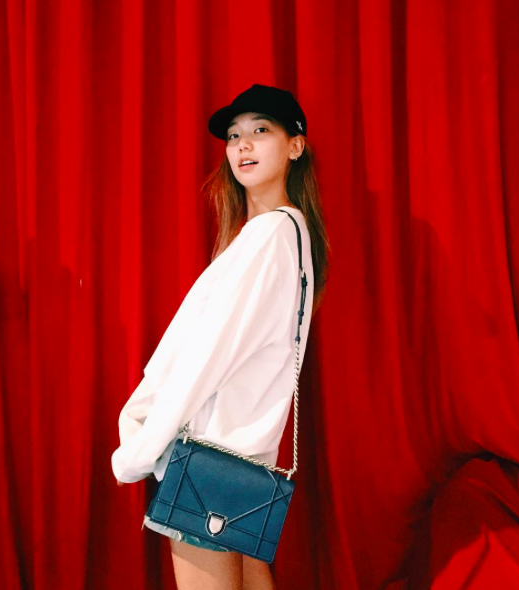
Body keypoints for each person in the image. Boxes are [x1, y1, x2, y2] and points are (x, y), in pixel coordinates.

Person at [111, 83, 331, 590]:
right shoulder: (289, 234)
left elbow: (207, 359)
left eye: (261, 130)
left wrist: (140, 449)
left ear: (295, 145)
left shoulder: (269, 235)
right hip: (242, 463)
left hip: (207, 459)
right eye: (234, 136)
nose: (243, 145)